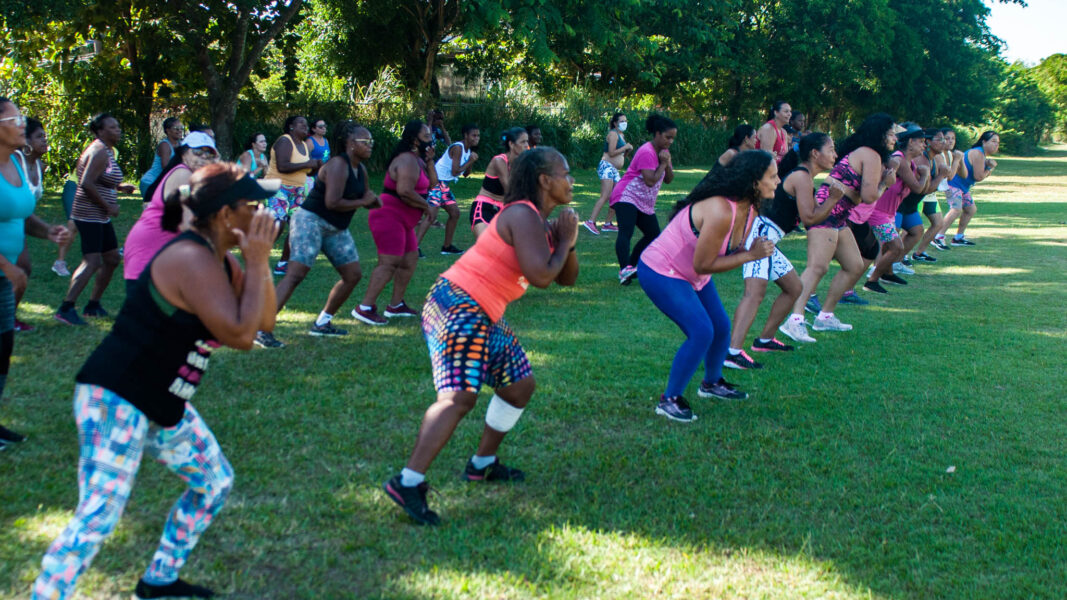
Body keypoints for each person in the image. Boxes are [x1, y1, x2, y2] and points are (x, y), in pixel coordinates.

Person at [32, 162, 278, 600]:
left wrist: (255, 262)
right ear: (225, 215)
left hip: (161, 401)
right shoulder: (188, 257)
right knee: (99, 515)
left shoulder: (222, 261)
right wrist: (258, 258)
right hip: (117, 397)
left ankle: (158, 581)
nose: (263, 214)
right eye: (253, 205)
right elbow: (240, 336)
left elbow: (263, 319)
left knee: (213, 481)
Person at [382, 146, 579, 526]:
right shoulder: (522, 215)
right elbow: (541, 276)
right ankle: (407, 482)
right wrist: (564, 241)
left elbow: (565, 278)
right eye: (566, 173)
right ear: (544, 180)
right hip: (459, 304)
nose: (572, 181)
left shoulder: (539, 222)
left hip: (485, 312)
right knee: (459, 397)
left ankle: (482, 463)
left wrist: (566, 242)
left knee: (519, 386)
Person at [638, 150, 777, 422]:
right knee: (702, 331)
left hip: (692, 274)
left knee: (721, 328)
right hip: (661, 270)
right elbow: (704, 264)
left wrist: (752, 250)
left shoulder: (750, 208)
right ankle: (669, 400)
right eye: (772, 176)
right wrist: (750, 255)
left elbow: (720, 255)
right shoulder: (720, 210)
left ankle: (711, 383)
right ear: (753, 182)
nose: (778, 181)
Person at [258, 122, 379, 348]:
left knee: (352, 275)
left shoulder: (360, 170)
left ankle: (322, 323)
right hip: (310, 221)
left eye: (371, 141)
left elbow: (365, 197)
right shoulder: (337, 166)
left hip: (335, 228)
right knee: (295, 274)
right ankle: (262, 328)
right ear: (351, 144)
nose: (371, 145)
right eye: (366, 142)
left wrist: (373, 201)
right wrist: (364, 201)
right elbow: (332, 202)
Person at [724, 134, 834, 369]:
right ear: (815, 153)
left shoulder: (804, 177)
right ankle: (731, 352)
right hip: (759, 236)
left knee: (795, 288)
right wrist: (833, 200)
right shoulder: (802, 178)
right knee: (754, 293)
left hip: (769, 239)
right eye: (831, 149)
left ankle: (764, 340)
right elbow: (809, 218)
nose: (835, 155)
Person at [786, 113, 899, 336]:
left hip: (838, 216)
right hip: (827, 213)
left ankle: (825, 317)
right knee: (817, 267)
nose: (894, 137)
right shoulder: (872, 155)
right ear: (880, 134)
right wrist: (886, 184)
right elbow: (868, 196)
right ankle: (794, 320)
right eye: (891, 133)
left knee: (855, 265)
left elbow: (856, 194)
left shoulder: (867, 153)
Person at [0, 99, 69, 449]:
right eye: (16, 119)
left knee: (3, 346)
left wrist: (48, 231)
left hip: (5, 277)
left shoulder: (14, 160)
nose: (23, 124)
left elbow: (22, 216)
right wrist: (8, 266)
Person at [354, 120, 436, 325]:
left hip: (403, 220)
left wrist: (430, 161)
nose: (430, 140)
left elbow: (432, 184)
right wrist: (426, 207)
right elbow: (404, 191)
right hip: (389, 216)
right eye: (426, 136)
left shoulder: (418, 160)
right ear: (414, 139)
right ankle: (365, 308)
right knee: (389, 263)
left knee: (409, 260)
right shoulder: (407, 160)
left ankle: (396, 305)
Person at [123, 131, 220, 292]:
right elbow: (187, 223)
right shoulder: (183, 174)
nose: (203, 157)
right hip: (148, 251)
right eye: (198, 151)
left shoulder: (191, 176)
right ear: (184, 152)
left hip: (162, 254)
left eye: (209, 153)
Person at [54, 113, 126, 326]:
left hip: (99, 217)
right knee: (92, 261)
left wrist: (119, 187)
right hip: (89, 214)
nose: (118, 130)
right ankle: (66, 308)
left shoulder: (106, 150)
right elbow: (86, 183)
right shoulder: (99, 151)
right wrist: (108, 206)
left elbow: (100, 179)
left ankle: (93, 305)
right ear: (100, 131)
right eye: (113, 127)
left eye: (118, 126)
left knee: (112, 258)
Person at [859, 123, 930, 294]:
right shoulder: (899, 160)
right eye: (921, 142)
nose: (924, 145)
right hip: (877, 212)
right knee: (896, 247)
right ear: (910, 141)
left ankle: (887, 273)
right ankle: (872, 280)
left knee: (888, 246)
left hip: (889, 212)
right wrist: (926, 174)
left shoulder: (909, 162)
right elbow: (917, 188)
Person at [611, 113, 676, 285]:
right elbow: (650, 181)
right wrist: (663, 164)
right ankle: (625, 270)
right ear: (657, 134)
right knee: (626, 231)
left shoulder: (664, 152)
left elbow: (669, 179)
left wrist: (667, 163)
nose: (670, 141)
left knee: (653, 234)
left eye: (672, 139)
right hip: (627, 195)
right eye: (667, 137)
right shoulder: (646, 151)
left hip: (644, 201)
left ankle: (631, 266)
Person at [264, 115, 321, 276]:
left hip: (297, 191)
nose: (305, 126)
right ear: (291, 126)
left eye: (306, 123)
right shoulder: (284, 141)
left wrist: (317, 166)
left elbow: (307, 169)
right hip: (278, 187)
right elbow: (283, 166)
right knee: (279, 222)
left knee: (298, 227)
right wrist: (308, 164)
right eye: (300, 123)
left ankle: (283, 263)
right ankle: (258, 255)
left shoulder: (303, 145)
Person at [417, 123, 479, 255]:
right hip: (436, 183)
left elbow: (466, 174)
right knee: (431, 216)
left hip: (443, 185)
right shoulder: (458, 147)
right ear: (466, 135)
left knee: (455, 213)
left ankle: (447, 247)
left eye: (478, 135)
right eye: (473, 135)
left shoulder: (467, 151)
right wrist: (469, 161)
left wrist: (470, 161)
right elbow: (455, 171)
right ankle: (413, 248)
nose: (476, 138)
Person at [12, 117, 48, 332]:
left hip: (19, 226)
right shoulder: (15, 161)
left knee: (22, 269)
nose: (45, 140)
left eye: (45, 136)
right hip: (7, 224)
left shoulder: (39, 166)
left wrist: (47, 231)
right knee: (20, 269)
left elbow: (27, 208)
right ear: (26, 141)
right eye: (39, 137)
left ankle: (10, 317)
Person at [936, 131, 999, 246]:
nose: (996, 145)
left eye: (998, 142)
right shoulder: (978, 153)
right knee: (956, 209)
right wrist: (989, 168)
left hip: (963, 187)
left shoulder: (981, 154)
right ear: (984, 142)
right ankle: (938, 236)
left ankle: (958, 237)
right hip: (953, 184)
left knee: (971, 209)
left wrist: (988, 169)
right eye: (993, 141)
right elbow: (978, 177)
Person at [469, 127, 528, 239]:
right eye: (523, 142)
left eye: (527, 141)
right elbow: (509, 190)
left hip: (503, 209)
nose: (527, 145)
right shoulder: (499, 161)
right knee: (486, 246)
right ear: (511, 144)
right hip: (485, 207)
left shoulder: (521, 164)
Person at [913, 128, 962, 257]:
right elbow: (944, 177)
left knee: (938, 223)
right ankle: (901, 257)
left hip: (930, 195)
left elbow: (949, 176)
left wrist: (956, 160)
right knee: (912, 228)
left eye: (950, 139)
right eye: (942, 139)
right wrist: (955, 162)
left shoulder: (944, 155)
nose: (946, 142)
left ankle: (920, 252)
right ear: (928, 142)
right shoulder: (922, 158)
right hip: (918, 196)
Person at [584, 112, 632, 235]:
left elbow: (621, 155)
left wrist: (627, 150)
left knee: (617, 195)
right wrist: (625, 146)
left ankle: (608, 223)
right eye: (621, 121)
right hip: (606, 166)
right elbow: (611, 153)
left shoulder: (622, 135)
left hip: (614, 169)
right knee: (605, 195)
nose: (624, 123)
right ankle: (591, 221)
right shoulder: (613, 134)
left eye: (625, 121)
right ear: (615, 123)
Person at [139, 117, 184, 196]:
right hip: (151, 182)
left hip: (163, 183)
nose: (180, 130)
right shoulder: (165, 145)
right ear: (168, 131)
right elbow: (166, 167)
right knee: (154, 207)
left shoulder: (180, 144)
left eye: (181, 128)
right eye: (176, 128)